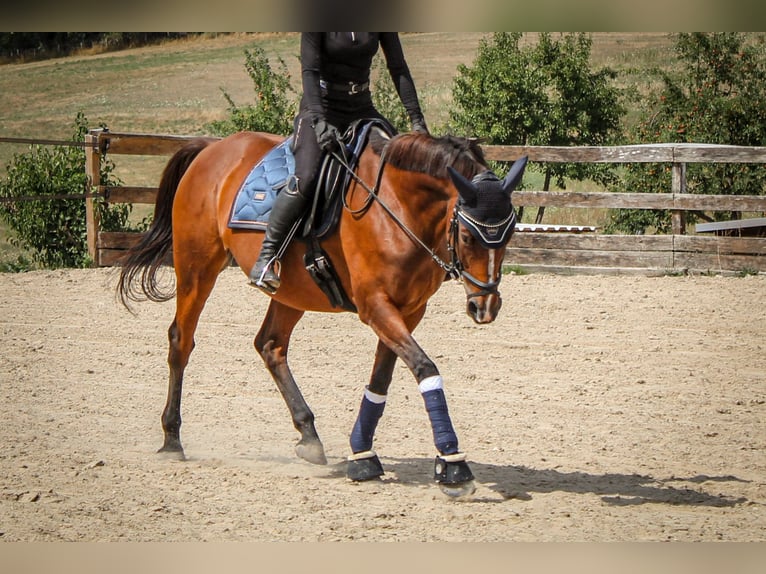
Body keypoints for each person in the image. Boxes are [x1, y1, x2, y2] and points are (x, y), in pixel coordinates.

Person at [249, 32, 429, 293]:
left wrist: (417, 121)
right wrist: (320, 122)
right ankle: (267, 257)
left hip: (362, 108)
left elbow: (398, 66)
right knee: (307, 176)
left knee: (400, 167)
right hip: (319, 108)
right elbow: (309, 71)